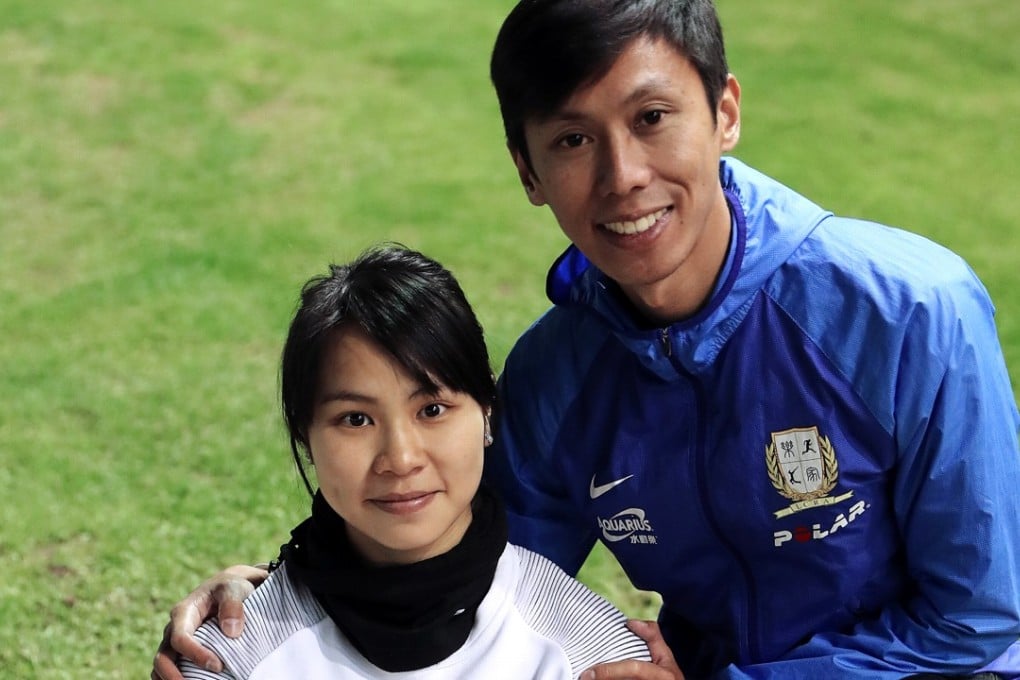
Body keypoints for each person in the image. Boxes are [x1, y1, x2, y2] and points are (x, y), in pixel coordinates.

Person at [154, 1, 1020, 678]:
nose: (623, 176)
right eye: (572, 139)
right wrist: (271, 601)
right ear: (527, 171)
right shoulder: (554, 377)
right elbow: (463, 562)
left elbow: (978, 619)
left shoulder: (910, 311)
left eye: (652, 117)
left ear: (724, 111)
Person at [170, 244, 656, 679]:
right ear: (305, 435)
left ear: (487, 411)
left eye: (432, 410)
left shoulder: (592, 656)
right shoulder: (230, 656)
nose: (400, 460)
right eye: (356, 419)